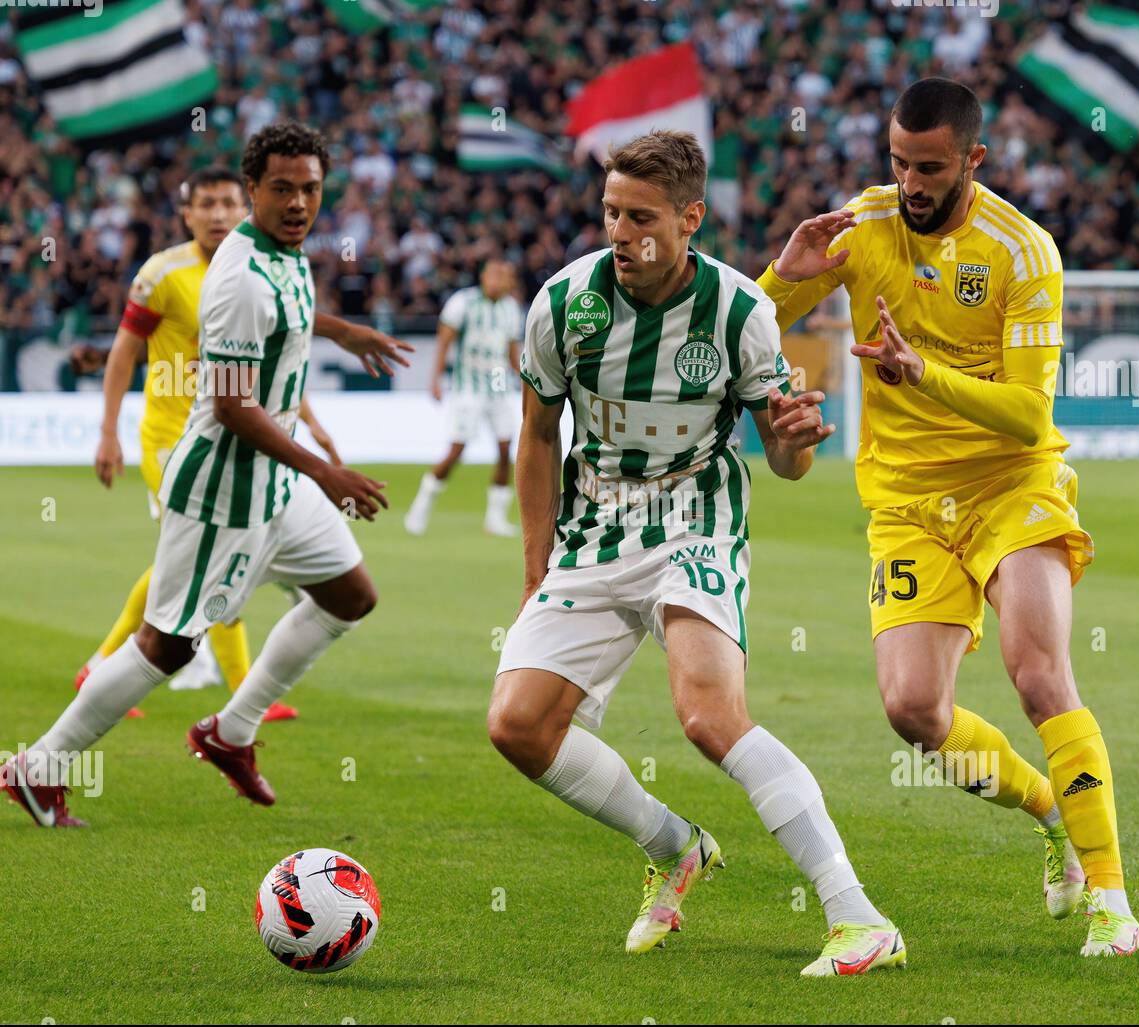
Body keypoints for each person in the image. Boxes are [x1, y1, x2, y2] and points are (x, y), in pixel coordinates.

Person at [487, 131, 906, 977]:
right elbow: (536, 435)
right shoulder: (565, 302)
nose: (620, 233)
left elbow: (785, 462)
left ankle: (858, 917)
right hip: (594, 529)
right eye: (610, 213)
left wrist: (794, 443)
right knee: (518, 727)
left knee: (709, 716)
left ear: (689, 220)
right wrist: (535, 573)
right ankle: (674, 847)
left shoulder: (740, 310)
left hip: (694, 520)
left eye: (641, 218)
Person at [758, 78, 1139, 957]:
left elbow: (1031, 417)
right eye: (897, 162)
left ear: (973, 159)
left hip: (1011, 486)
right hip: (904, 501)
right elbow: (744, 328)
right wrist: (784, 276)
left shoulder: (1023, 251)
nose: (910, 183)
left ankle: (1113, 901)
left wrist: (922, 373)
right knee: (914, 711)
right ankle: (1050, 814)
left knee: (1037, 671)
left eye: (928, 167)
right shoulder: (864, 226)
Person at [3, 123, 412, 828]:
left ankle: (231, 730)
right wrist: (326, 470)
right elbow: (229, 406)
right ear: (254, 189)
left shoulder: (287, 254)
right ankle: (38, 769)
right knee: (167, 645)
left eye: (309, 188)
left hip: (276, 483)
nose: (297, 202)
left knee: (350, 596)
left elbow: (295, 314)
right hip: (224, 489)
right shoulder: (240, 279)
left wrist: (346, 333)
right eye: (281, 188)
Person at [82, 167, 345, 720]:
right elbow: (123, 353)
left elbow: (270, 364)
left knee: (185, 562)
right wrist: (108, 433)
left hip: (232, 439)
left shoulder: (258, 269)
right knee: (223, 553)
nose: (219, 214)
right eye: (206, 204)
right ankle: (242, 688)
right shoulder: (161, 273)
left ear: (244, 203)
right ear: (187, 213)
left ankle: (100, 666)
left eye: (228, 203)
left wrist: (311, 420)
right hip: (169, 441)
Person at [404, 257, 523, 538]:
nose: (499, 280)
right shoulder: (463, 302)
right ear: (483, 277)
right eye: (494, 273)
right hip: (468, 387)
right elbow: (444, 340)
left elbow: (511, 350)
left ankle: (495, 518)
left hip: (498, 384)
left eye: (504, 275)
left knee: (506, 449)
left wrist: (522, 378)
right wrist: (434, 380)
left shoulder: (511, 308)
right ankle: (420, 507)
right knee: (457, 449)